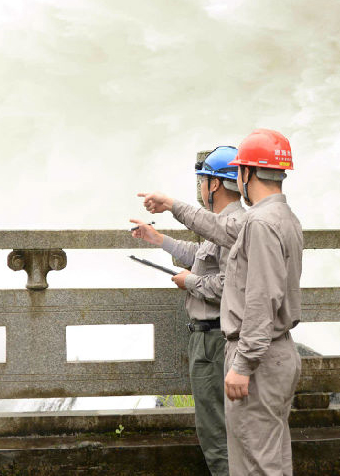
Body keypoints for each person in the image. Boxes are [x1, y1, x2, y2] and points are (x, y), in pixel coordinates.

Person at [138, 129, 303, 476]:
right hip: (277, 352)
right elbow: (219, 232)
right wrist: (170, 213)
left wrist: (242, 364)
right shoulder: (283, 218)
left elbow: (261, 299)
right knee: (270, 456)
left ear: (247, 173)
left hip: (260, 354)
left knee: (254, 460)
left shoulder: (259, 223)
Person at [130, 146, 244, 476]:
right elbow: (202, 255)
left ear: (214, 185)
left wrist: (190, 283)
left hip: (214, 339)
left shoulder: (232, 223)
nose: (199, 188)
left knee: (216, 434)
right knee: (232, 431)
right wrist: (159, 239)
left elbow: (230, 285)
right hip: (218, 338)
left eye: (202, 180)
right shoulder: (226, 222)